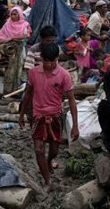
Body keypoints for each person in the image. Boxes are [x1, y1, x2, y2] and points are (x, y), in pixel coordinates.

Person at [19, 43, 79, 189]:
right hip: (38, 115)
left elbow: (71, 99)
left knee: (54, 150)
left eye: (52, 61)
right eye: (46, 61)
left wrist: (75, 126)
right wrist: (21, 114)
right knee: (38, 149)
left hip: (56, 116)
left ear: (57, 59)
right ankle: (47, 181)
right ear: (41, 59)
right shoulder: (33, 73)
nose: (49, 64)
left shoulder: (64, 75)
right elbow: (28, 94)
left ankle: (48, 162)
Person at [0, 6, 32, 94]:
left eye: (15, 14)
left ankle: (16, 91)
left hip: (19, 50)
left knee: (18, 71)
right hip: (10, 52)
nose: (12, 16)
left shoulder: (25, 24)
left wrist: (12, 38)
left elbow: (27, 35)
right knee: (9, 72)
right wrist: (7, 40)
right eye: (11, 14)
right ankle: (7, 91)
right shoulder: (7, 24)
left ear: (19, 14)